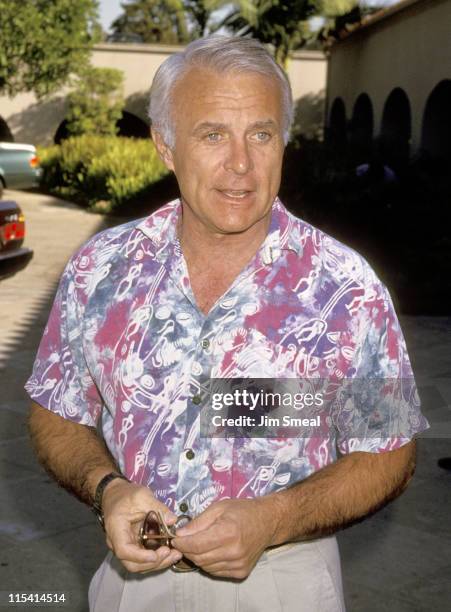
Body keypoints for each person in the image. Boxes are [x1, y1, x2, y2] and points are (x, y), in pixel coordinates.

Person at [26, 36, 429, 612]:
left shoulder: (346, 288)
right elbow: (55, 410)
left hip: (285, 581)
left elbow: (390, 452)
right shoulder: (100, 269)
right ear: (165, 146)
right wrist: (107, 490)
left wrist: (275, 517)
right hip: (133, 584)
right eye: (212, 134)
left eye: (261, 135)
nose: (241, 163)